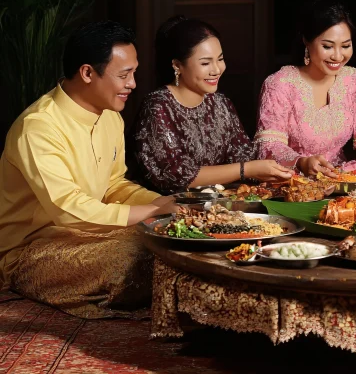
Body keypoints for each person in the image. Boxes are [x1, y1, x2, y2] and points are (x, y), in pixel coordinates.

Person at [0, 21, 180, 318]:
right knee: (136, 258)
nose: (133, 84)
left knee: (174, 239)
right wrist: (150, 212)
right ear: (87, 73)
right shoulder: (38, 127)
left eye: (133, 73)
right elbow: (68, 210)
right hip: (31, 250)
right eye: (124, 75)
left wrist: (162, 205)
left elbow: (113, 186)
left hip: (90, 233)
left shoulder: (110, 115)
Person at [135, 16, 292, 193]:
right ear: (178, 65)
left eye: (220, 59)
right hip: (170, 208)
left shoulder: (221, 104)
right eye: (205, 63)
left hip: (221, 205)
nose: (217, 70)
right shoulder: (158, 106)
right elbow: (175, 175)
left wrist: (290, 166)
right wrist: (245, 169)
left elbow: (245, 156)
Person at [254, 0, 356, 177]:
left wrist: (343, 175)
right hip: (290, 181)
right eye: (327, 46)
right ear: (307, 41)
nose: (337, 56)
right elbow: (268, 146)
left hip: (341, 181)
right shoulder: (280, 84)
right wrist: (300, 162)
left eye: (346, 46)